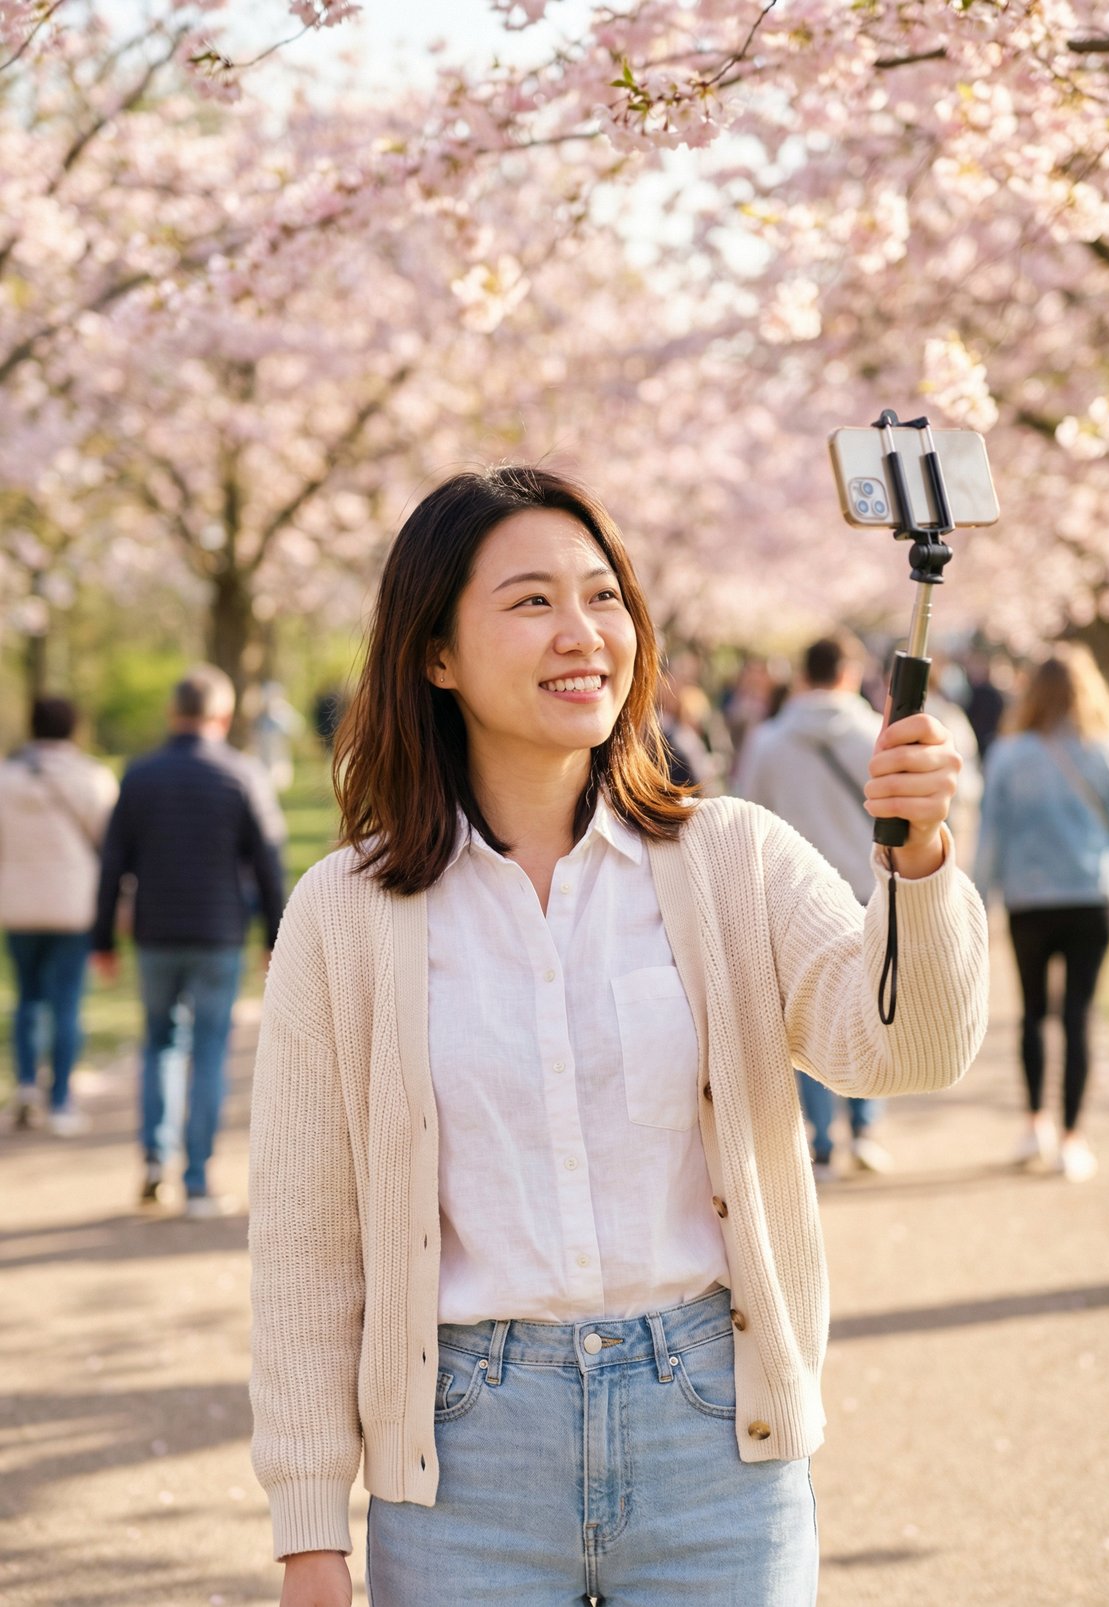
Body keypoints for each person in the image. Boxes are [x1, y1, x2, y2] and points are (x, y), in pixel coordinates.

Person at [248, 466, 988, 1607]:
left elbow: (907, 1050)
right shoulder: (344, 913)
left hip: (713, 1432)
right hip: (462, 1461)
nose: (583, 631)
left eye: (604, 596)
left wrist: (922, 863)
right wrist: (309, 1527)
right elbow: (306, 1237)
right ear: (435, 651)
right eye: (532, 600)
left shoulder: (733, 858)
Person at [93, 666, 285, 1216]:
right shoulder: (242, 774)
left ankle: (155, 1161)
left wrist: (102, 938)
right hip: (218, 933)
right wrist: (275, 934)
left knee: (158, 1044)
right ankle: (198, 1179)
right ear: (221, 717)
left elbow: (112, 863)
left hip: (155, 934)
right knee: (209, 1051)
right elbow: (269, 860)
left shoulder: (139, 776)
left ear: (173, 715)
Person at [973, 644, 1109, 1183]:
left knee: (1033, 1013)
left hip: (1030, 900)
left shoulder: (1009, 755)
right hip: (1094, 897)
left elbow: (990, 837)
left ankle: (1036, 1122)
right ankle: (1073, 1138)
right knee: (1079, 1015)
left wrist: (978, 904)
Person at [738, 634, 895, 1181]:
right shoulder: (874, 735)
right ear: (848, 674)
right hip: (866, 885)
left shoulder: (769, 742)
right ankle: (868, 1125)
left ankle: (823, 1137)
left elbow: (746, 814)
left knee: (807, 1012)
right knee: (876, 1005)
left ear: (804, 675)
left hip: (794, 897)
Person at [0, 697, 118, 1135]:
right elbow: (111, 846)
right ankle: (61, 1100)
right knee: (66, 1003)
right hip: (73, 905)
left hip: (17, 904)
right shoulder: (92, 779)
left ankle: (27, 1085)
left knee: (28, 998)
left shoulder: (6, 778)